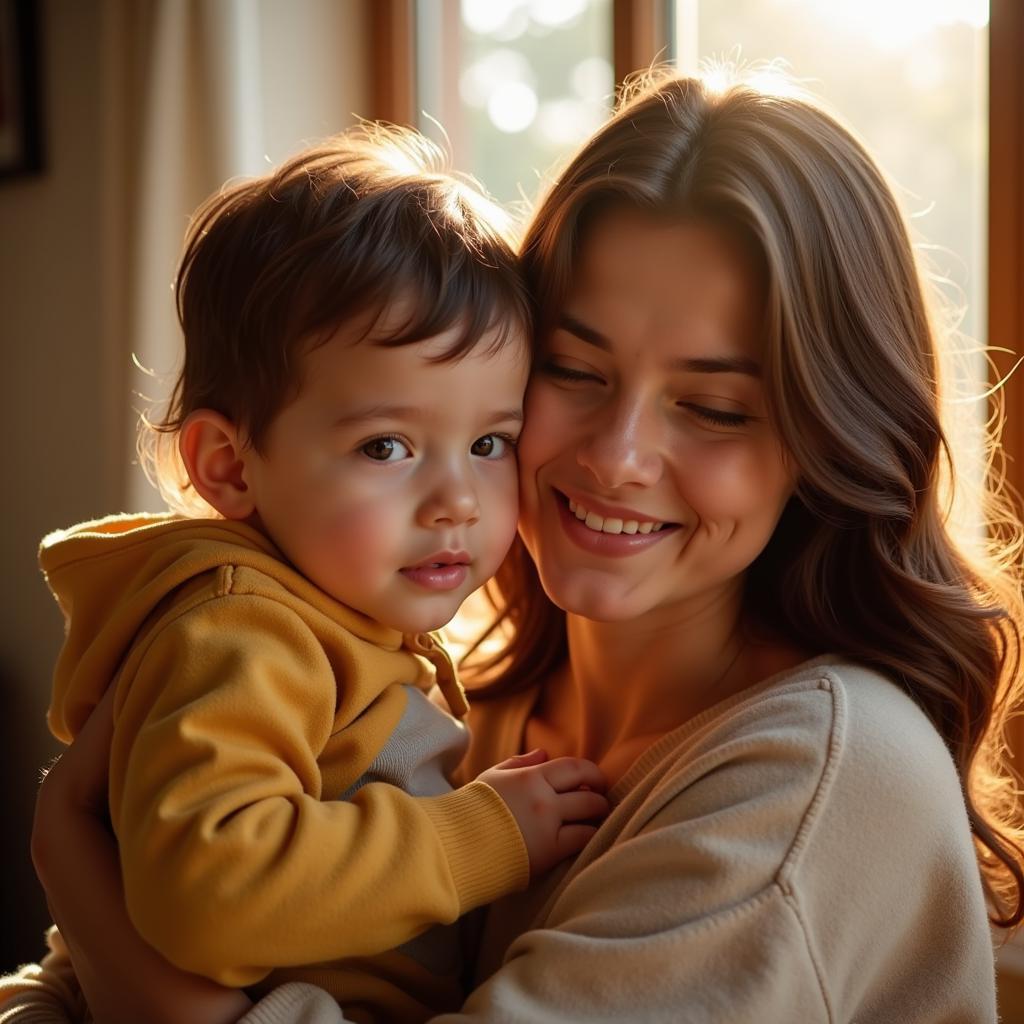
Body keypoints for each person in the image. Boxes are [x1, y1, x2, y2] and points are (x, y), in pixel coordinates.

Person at [12, 68, 1024, 1022]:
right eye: (575, 370)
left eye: (713, 408)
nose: (619, 455)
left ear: (823, 439)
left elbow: (153, 929)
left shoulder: (820, 780)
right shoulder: (447, 692)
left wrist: (73, 858)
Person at [0, 128, 610, 1024]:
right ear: (231, 466)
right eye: (386, 446)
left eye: (489, 443)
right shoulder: (244, 629)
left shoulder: (347, 613)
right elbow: (210, 890)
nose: (457, 501)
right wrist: (484, 835)